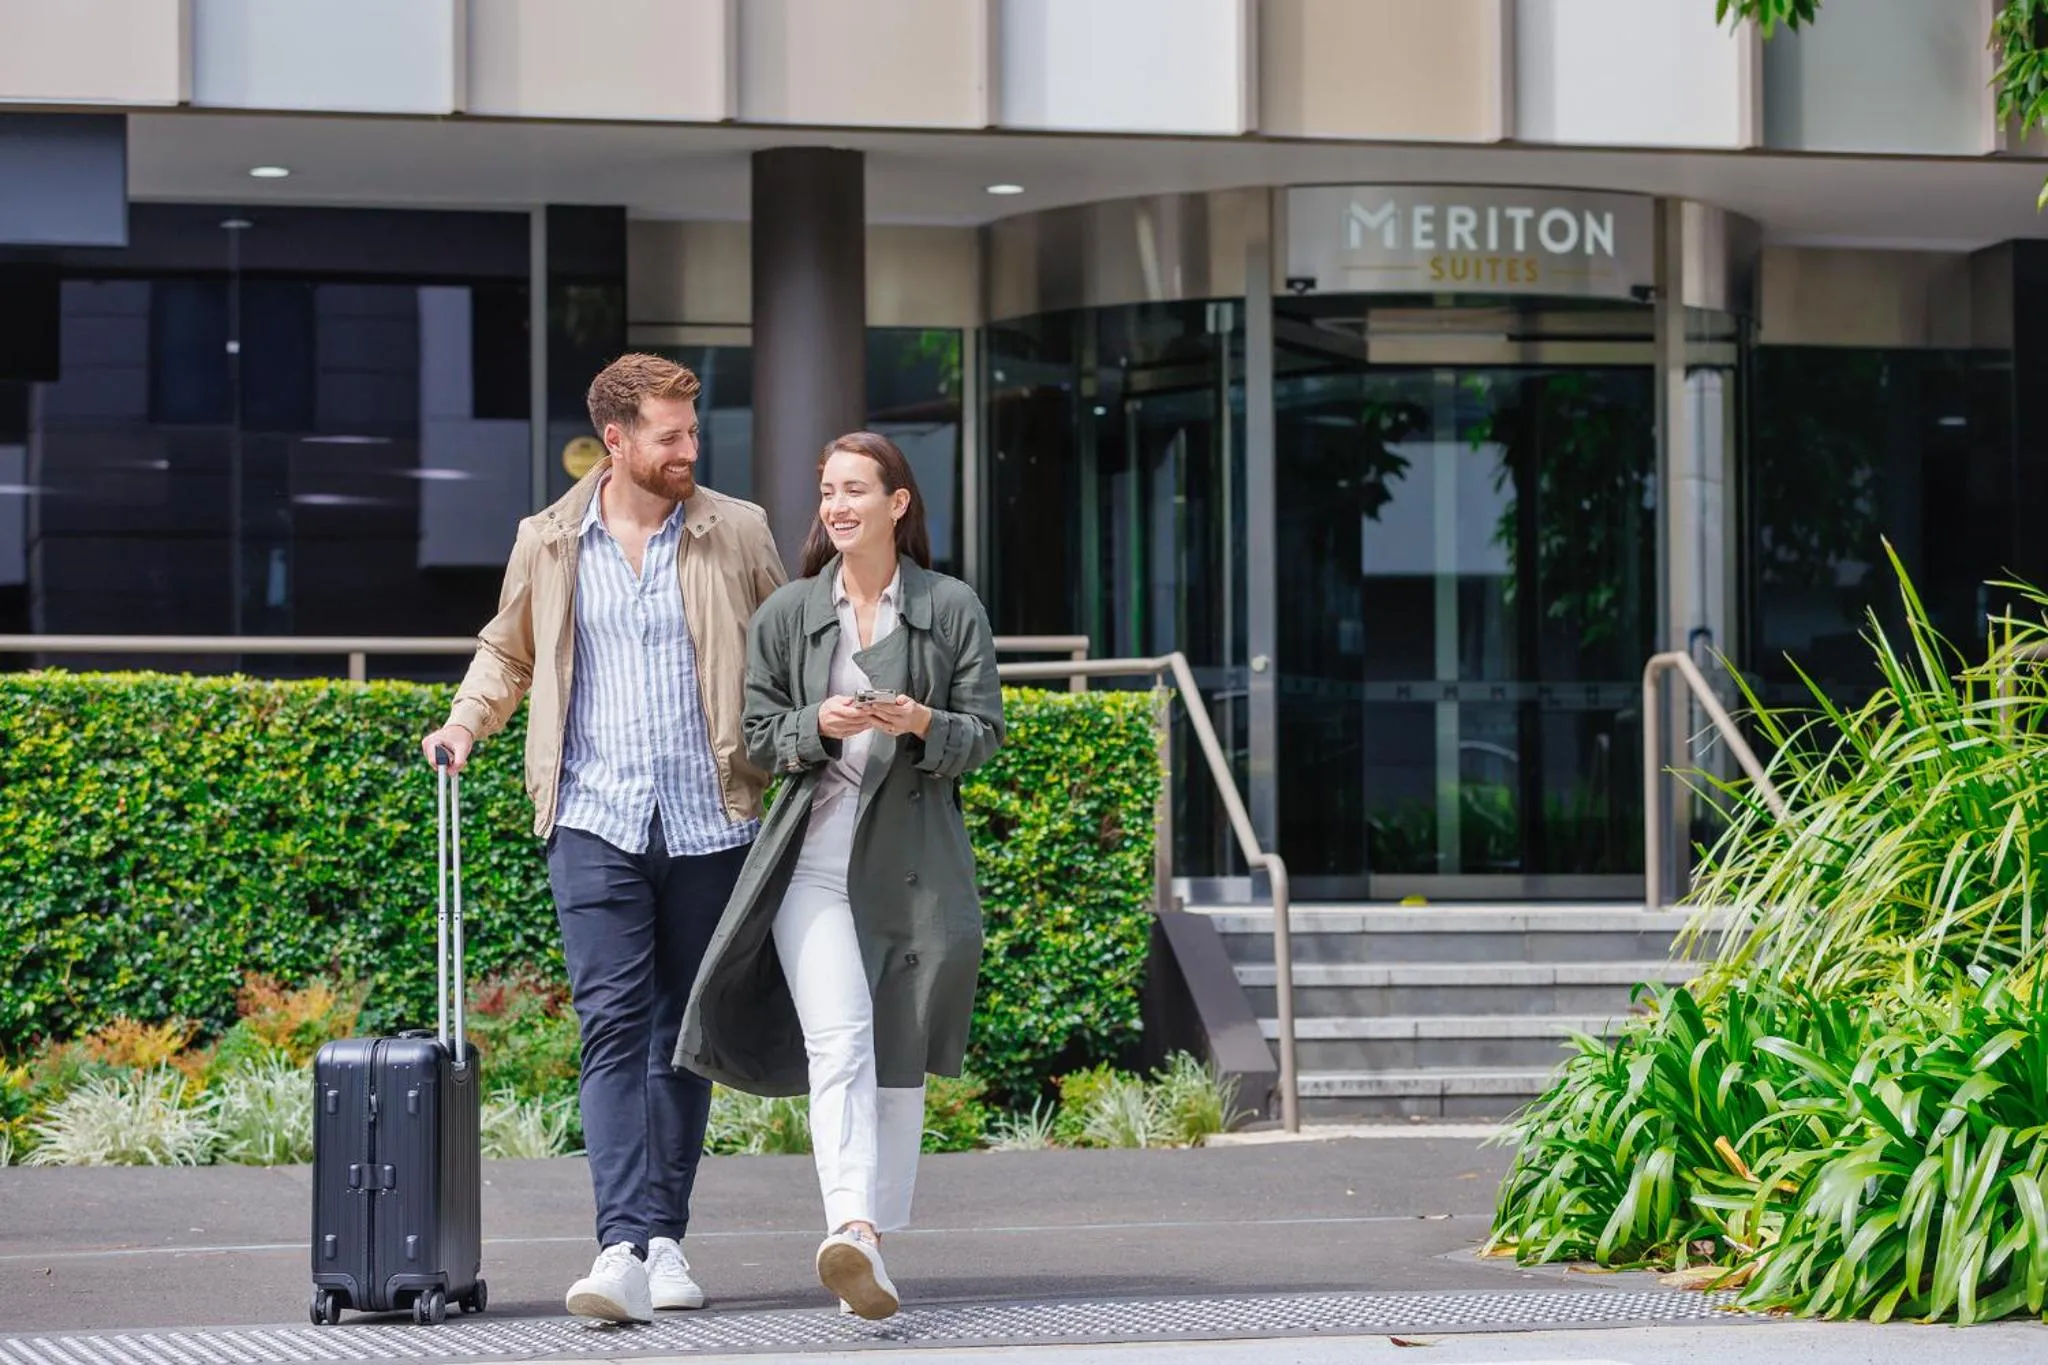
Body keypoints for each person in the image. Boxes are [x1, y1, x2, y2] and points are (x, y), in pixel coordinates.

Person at [419, 353, 785, 1323]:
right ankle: (622, 1242)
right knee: (613, 1028)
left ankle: (666, 1238)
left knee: (682, 1036)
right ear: (614, 442)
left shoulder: (734, 530)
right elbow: (508, 649)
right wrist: (464, 723)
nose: (687, 451)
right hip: (591, 817)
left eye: (691, 433)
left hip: (712, 819)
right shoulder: (548, 539)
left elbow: (787, 648)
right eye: (668, 435)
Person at [676, 431, 1004, 1321]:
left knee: (897, 1051)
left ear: (898, 502)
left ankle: (871, 1245)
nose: (836, 505)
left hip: (911, 868)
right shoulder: (789, 612)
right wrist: (817, 722)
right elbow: (754, 736)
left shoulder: (950, 606)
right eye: (827, 489)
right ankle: (851, 1226)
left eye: (855, 488)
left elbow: (984, 735)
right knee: (842, 1040)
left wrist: (923, 722)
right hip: (810, 864)